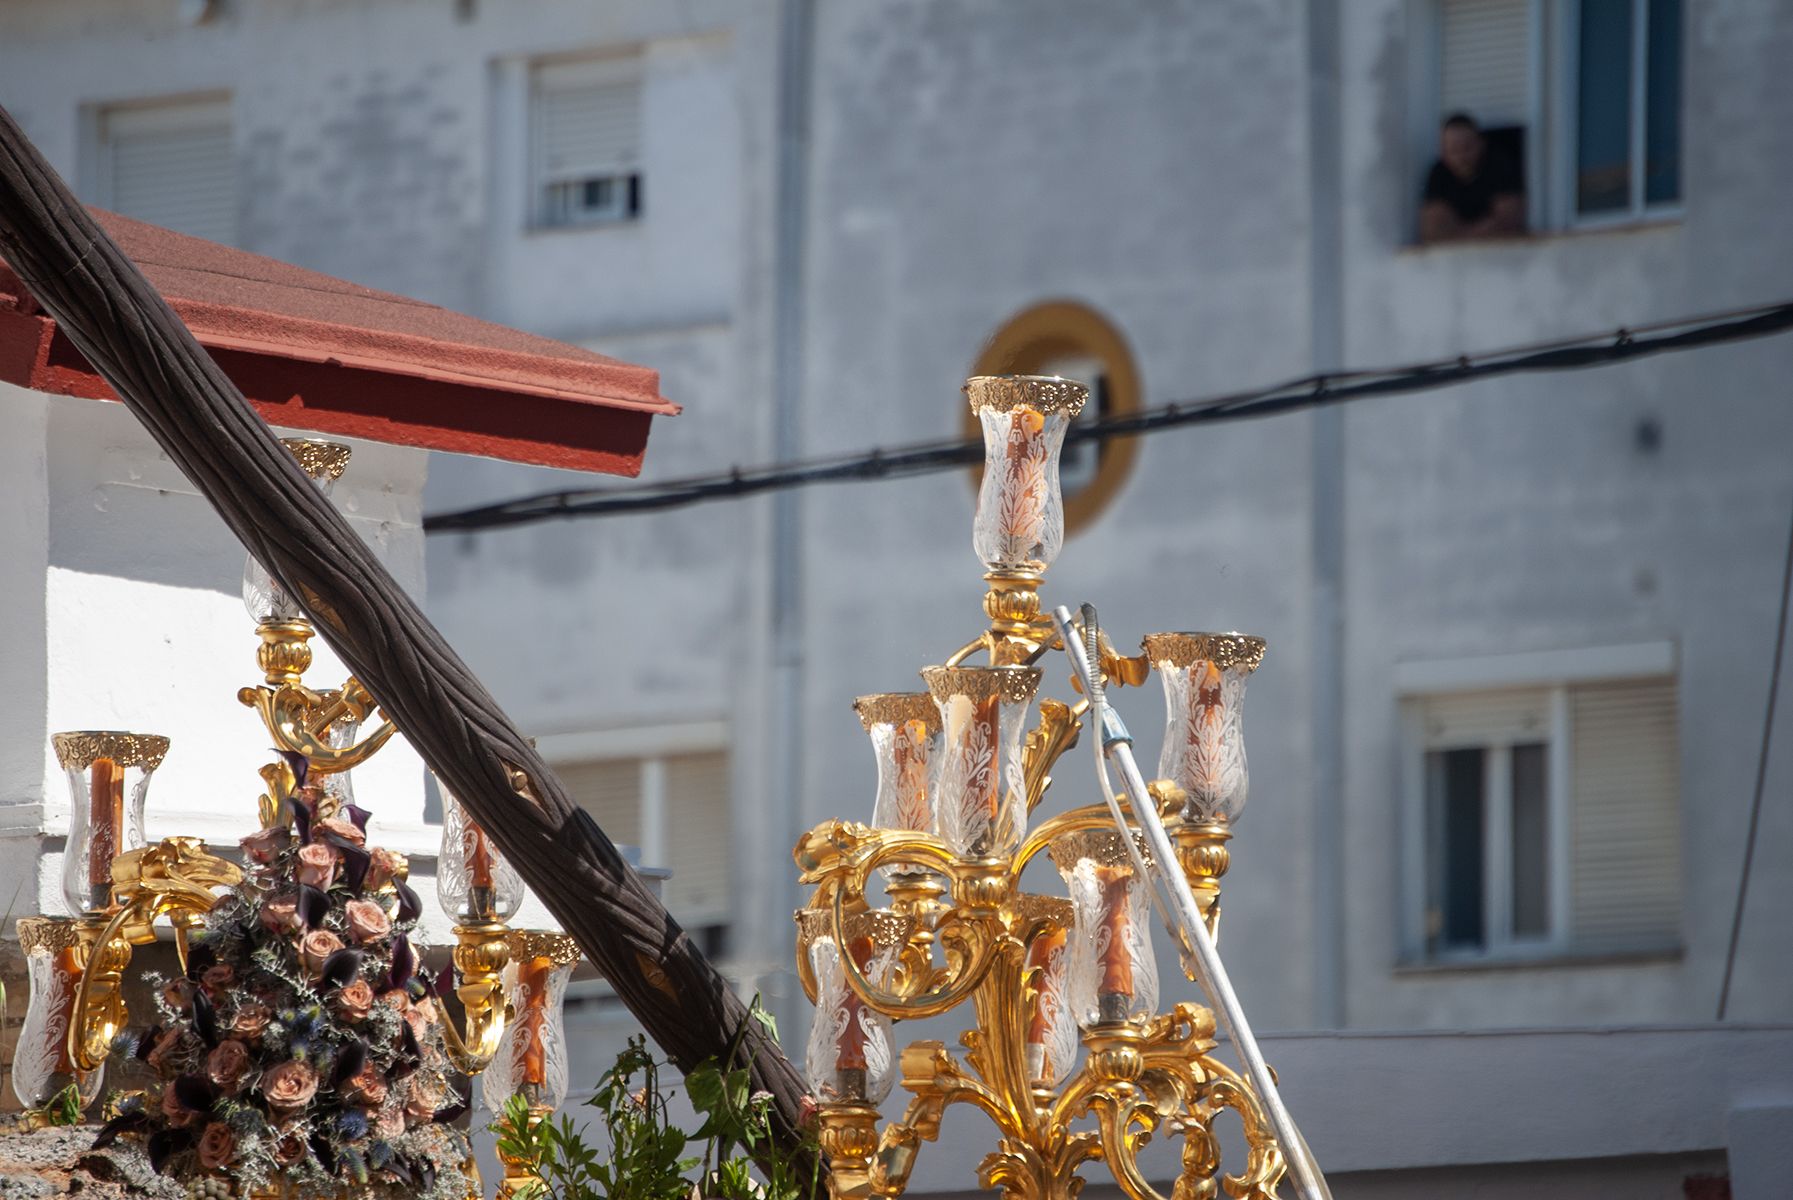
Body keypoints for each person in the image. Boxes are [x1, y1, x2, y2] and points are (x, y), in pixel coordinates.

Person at [1419, 113, 1525, 244]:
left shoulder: (1499, 167)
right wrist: (1481, 231)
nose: (1461, 157)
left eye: (1466, 148)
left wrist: (1457, 233)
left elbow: (1509, 222)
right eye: (1454, 150)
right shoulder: (1438, 174)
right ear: (1443, 151)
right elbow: (1432, 229)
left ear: (1481, 144)